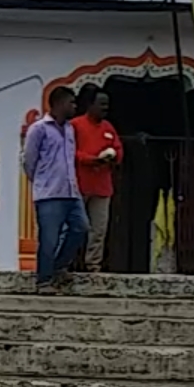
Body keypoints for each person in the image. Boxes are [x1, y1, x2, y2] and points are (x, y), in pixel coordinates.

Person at [21, 86, 87, 288]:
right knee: (49, 239)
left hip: (70, 191)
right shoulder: (39, 129)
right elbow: (28, 160)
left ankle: (58, 266)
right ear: (59, 103)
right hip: (49, 193)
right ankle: (44, 280)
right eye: (71, 102)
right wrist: (42, 180)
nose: (74, 106)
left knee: (81, 228)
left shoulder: (69, 129)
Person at [71, 85, 124, 274]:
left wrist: (113, 158)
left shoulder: (108, 128)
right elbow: (71, 152)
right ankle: (69, 263)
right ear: (90, 104)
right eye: (101, 104)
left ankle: (93, 265)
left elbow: (118, 149)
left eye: (107, 105)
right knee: (76, 227)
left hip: (102, 187)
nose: (105, 108)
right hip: (79, 185)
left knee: (99, 229)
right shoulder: (76, 125)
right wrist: (92, 160)